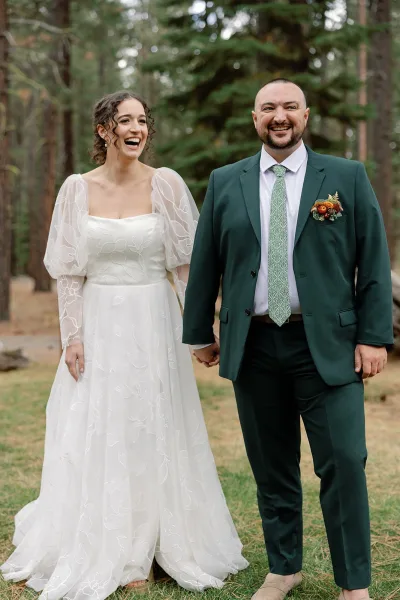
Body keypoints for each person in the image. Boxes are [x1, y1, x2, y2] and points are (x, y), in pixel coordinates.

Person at [1, 91, 248, 600]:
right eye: (125, 120)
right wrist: (72, 337)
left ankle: (156, 543)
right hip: (99, 320)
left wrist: (199, 329)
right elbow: (69, 273)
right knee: (101, 425)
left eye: (142, 120)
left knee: (153, 423)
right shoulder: (75, 189)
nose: (136, 128)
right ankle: (113, 544)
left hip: (154, 320)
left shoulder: (167, 185)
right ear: (104, 130)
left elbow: (185, 267)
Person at [182, 79, 393, 600]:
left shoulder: (344, 176)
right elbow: (206, 261)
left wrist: (372, 336)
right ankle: (284, 567)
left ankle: (354, 583)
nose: (280, 116)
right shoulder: (226, 181)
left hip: (329, 345)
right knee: (271, 464)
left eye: (289, 107)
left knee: (344, 460)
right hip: (253, 346)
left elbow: (374, 261)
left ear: (306, 115)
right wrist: (198, 333)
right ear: (255, 118)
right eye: (268, 108)